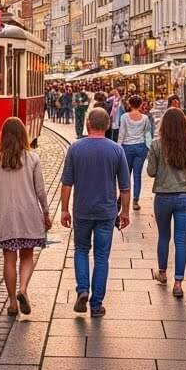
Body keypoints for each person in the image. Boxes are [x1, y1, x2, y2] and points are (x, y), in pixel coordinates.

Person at [59, 108, 130, 318]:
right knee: (101, 257)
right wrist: (125, 211)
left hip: (81, 210)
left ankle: (83, 290)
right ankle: (96, 304)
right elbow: (125, 187)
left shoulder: (75, 149)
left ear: (88, 124)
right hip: (106, 211)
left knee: (81, 250)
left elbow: (66, 184)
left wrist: (64, 210)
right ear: (108, 126)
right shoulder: (117, 150)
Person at [0, 117, 50, 318]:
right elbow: (40, 190)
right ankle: (23, 289)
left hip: (6, 215)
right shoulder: (32, 158)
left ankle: (13, 303)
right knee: (27, 255)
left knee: (8, 258)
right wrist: (46, 213)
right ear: (24, 135)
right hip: (28, 215)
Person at [145, 108, 186, 296]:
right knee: (180, 239)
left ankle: (162, 274)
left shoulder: (156, 145)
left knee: (163, 236)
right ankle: (178, 283)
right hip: (184, 196)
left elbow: (151, 172)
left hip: (163, 195)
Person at [117, 95, 153, 211]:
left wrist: (118, 147)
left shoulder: (124, 117)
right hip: (140, 147)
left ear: (129, 104)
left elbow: (121, 133)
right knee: (137, 175)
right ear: (141, 104)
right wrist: (148, 147)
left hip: (127, 147)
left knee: (125, 175)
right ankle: (135, 201)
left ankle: (123, 198)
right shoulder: (145, 118)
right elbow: (148, 134)